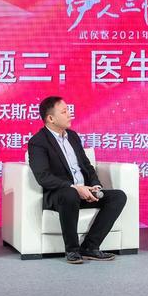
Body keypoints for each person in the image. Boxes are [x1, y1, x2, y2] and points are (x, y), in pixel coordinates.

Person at [27, 96, 127, 264]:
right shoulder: (38, 142)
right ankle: (72, 250)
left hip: (84, 191)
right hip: (60, 195)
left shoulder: (73, 137)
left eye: (68, 110)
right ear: (51, 118)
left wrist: (95, 185)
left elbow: (87, 166)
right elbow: (43, 177)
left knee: (118, 196)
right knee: (70, 194)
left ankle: (90, 247)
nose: (70, 115)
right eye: (64, 112)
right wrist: (74, 187)